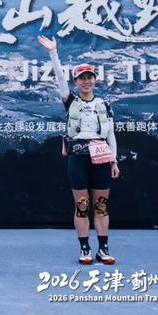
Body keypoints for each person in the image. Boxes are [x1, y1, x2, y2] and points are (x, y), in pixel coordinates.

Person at [38, 35, 119, 265]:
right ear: (76, 82)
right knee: (82, 206)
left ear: (95, 80)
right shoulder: (70, 101)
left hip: (101, 158)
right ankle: (85, 248)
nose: (86, 82)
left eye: (89, 77)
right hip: (78, 158)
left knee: (101, 206)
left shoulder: (104, 105)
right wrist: (53, 52)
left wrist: (114, 160)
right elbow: (59, 79)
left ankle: (103, 248)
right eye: (82, 78)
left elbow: (111, 134)